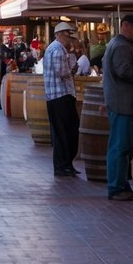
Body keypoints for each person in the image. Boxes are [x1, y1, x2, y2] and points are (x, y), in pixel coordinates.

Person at [103, 13, 133, 200]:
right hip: (123, 104)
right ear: (125, 26)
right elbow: (124, 71)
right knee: (120, 147)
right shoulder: (122, 46)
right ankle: (116, 187)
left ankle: (121, 185)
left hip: (124, 103)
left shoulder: (123, 44)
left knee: (123, 147)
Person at [42, 22, 81, 177]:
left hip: (56, 96)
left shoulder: (55, 48)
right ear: (58, 34)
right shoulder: (58, 50)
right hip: (61, 96)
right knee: (66, 132)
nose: (69, 38)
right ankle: (63, 165)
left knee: (63, 132)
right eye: (66, 35)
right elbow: (62, 72)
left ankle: (64, 165)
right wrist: (72, 67)